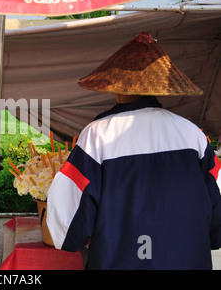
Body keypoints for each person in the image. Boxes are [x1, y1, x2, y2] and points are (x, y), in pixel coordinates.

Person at [46, 32, 221, 270]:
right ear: (159, 89)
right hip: (188, 259)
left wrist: (71, 237)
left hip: (122, 259)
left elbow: (69, 207)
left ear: (116, 89)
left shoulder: (99, 134)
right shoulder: (193, 134)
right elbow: (216, 198)